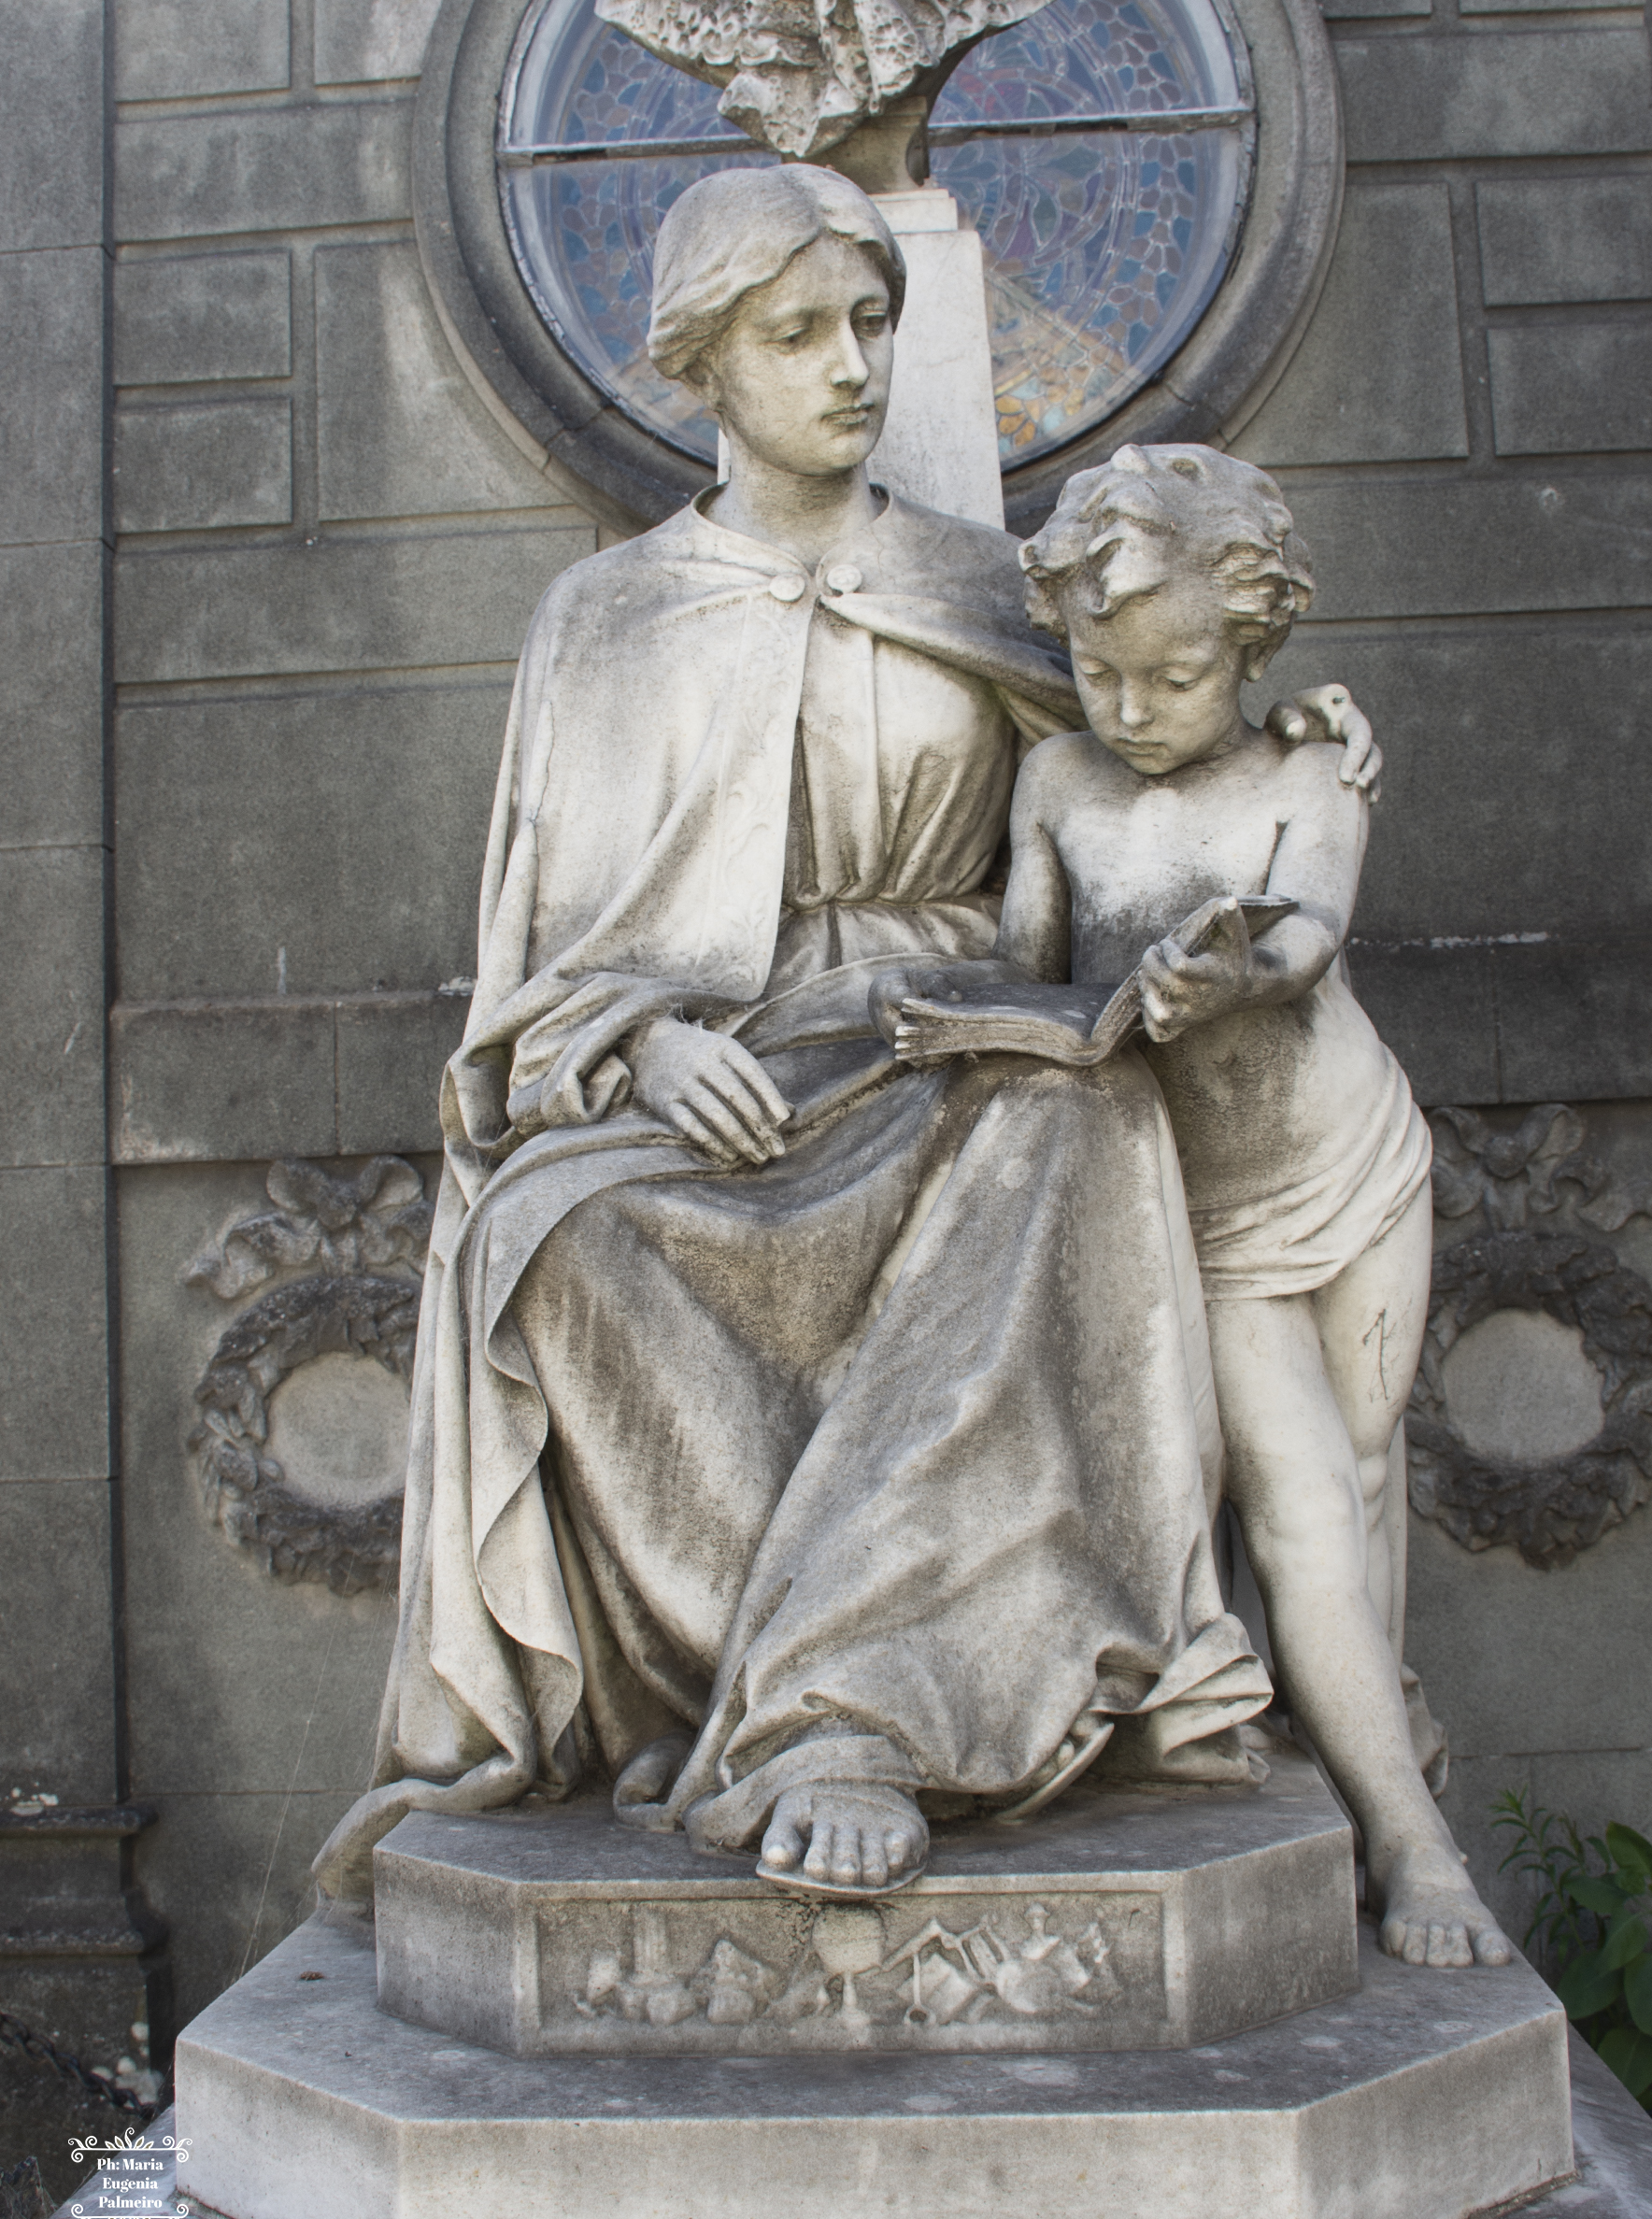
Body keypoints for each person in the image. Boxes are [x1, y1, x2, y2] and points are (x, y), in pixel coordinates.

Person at [315, 170, 1375, 1906]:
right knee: (555, 1232)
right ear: (702, 368)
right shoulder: (607, 620)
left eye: (869, 325)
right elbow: (537, 968)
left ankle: (856, 1707)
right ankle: (758, 1683)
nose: (850, 368)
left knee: (1075, 1132)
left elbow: (1158, 736)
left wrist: (1302, 739)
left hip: (948, 1039)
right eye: (794, 333)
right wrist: (644, 1046)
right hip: (717, 1062)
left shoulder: (986, 588)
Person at [895, 445, 1509, 1965]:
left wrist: (1238, 967)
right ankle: (1412, 1844)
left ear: (1251, 644)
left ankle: (1356, 1756)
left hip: (1357, 1166)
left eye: (1175, 678)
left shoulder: (1306, 769)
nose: (1134, 709)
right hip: (1214, 1222)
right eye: (1103, 675)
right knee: (1300, 1500)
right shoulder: (1058, 781)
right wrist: (984, 1014)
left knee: (1366, 1483)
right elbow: (1032, 983)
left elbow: (1308, 932)